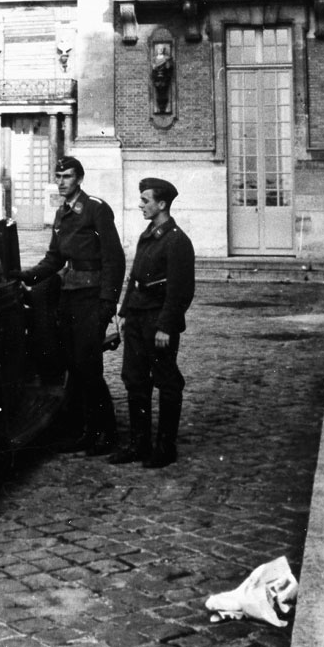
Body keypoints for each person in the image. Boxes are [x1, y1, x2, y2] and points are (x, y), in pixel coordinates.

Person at [19, 156, 125, 456]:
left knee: (89, 367)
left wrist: (108, 302)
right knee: (76, 369)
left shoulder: (95, 209)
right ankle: (88, 432)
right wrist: (25, 275)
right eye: (58, 176)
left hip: (92, 298)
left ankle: (108, 433)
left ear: (79, 178)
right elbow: (55, 259)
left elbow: (113, 259)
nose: (61, 182)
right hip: (69, 298)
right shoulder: (61, 213)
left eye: (66, 176)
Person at [111, 177, 195, 469]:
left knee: (167, 381)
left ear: (161, 204)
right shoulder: (149, 235)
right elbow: (134, 277)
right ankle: (139, 443)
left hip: (158, 320)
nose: (140, 205)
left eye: (145, 200)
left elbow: (181, 290)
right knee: (134, 379)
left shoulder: (177, 240)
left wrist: (165, 327)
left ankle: (165, 446)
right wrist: (122, 314)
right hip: (136, 317)